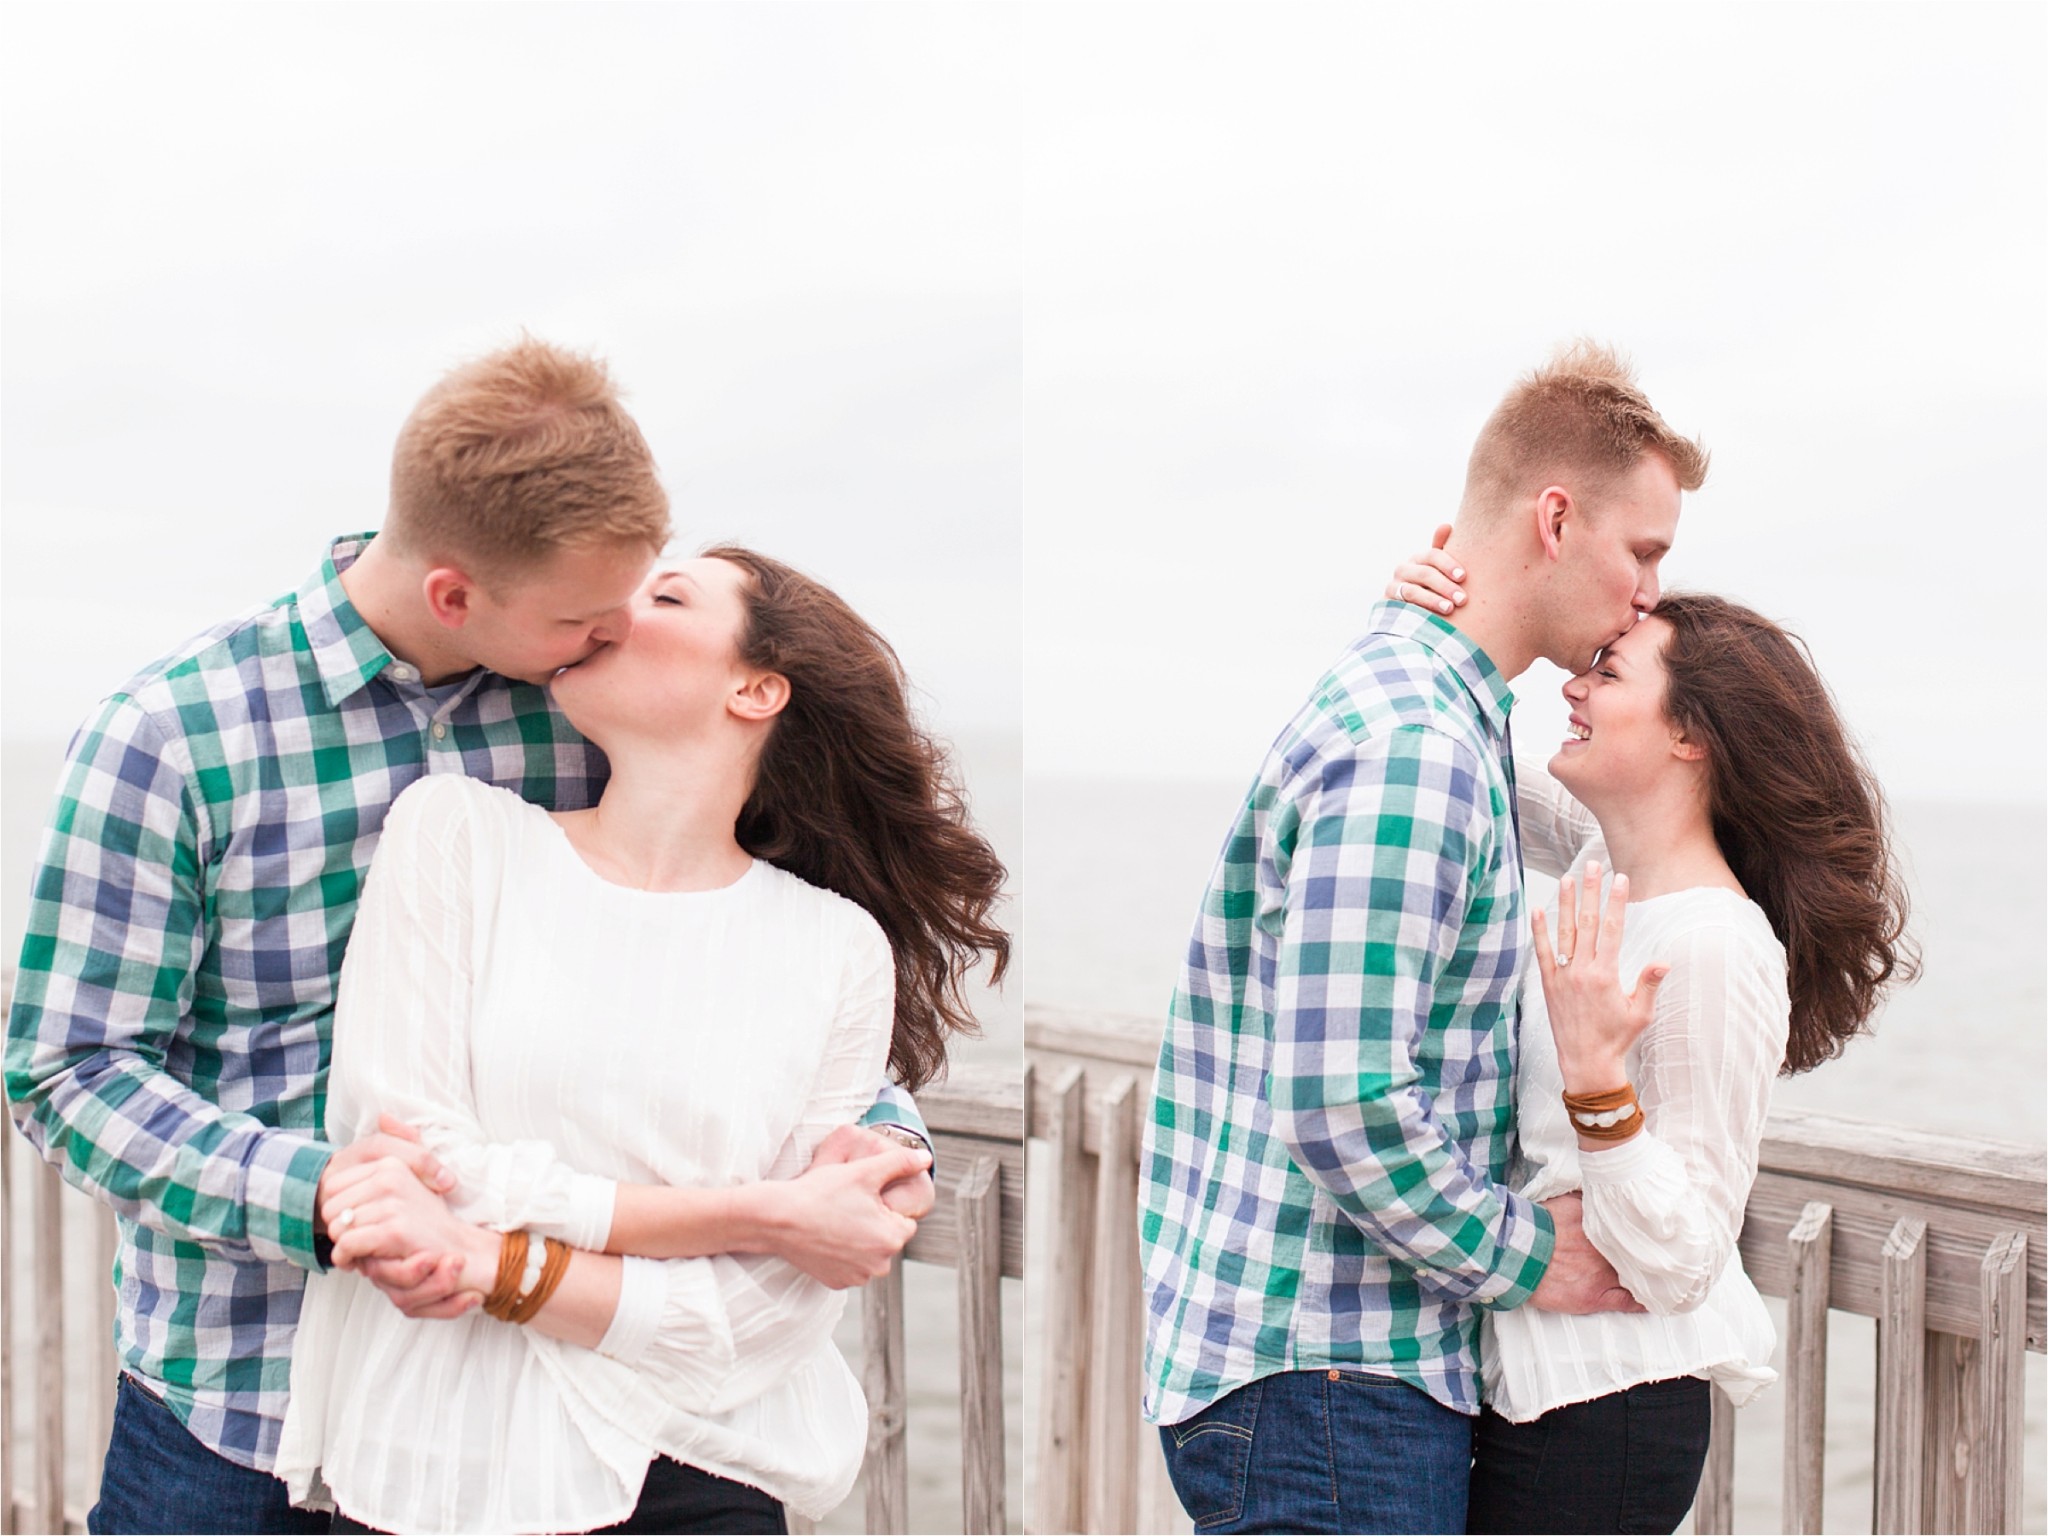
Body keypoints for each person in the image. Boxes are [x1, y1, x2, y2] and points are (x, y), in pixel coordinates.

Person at [5, 341, 938, 1536]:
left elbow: (751, 948)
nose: (607, 638)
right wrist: (330, 1197)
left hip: (520, 1406)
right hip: (237, 1396)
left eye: (635, 600)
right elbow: (67, 1072)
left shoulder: (580, 708)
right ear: (458, 595)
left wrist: (870, 1136)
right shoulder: (173, 739)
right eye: (583, 618)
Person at [270, 547, 1008, 1532]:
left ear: (754, 688)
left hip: (703, 1474)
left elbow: (769, 1311)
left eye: (666, 595)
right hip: (441, 1471)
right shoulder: (460, 836)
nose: (619, 607)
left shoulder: (836, 948)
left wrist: (496, 1268)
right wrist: (760, 1212)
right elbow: (419, 1160)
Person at [1139, 342, 1709, 1534]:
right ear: (1555, 518)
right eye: (1642, 551)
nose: (1648, 590)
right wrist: (1525, 1258)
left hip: (1320, 1375)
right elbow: (1342, 1098)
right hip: (1328, 1377)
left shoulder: (1420, 706)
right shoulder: (1415, 746)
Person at [1388, 548, 1915, 1532]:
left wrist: (1594, 1079)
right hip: (1528, 1387)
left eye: (1607, 672)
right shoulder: (1604, 859)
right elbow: (1453, 759)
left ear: (1688, 736)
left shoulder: (1712, 943)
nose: (1570, 683)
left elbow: (1684, 1258)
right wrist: (1427, 621)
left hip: (1606, 1413)